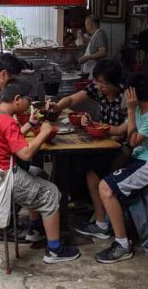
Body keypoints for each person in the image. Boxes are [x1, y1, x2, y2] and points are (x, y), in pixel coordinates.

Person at [0, 77, 80, 264]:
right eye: (29, 100)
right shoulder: (7, 121)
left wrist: (30, 124)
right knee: (51, 193)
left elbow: (11, 139)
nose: (30, 104)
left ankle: (35, 229)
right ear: (17, 99)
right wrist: (44, 133)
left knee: (38, 174)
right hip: (0, 180)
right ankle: (55, 250)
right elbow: (26, 154)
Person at [78, 73, 148, 264]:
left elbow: (132, 140)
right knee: (94, 175)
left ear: (132, 94)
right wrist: (92, 124)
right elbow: (122, 131)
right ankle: (102, 224)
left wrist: (130, 110)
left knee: (106, 187)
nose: (124, 96)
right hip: (138, 159)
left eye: (127, 92)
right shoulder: (140, 109)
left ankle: (123, 245)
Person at [51, 59, 129, 221]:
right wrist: (57, 106)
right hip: (102, 138)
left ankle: (96, 208)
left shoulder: (125, 97)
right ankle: (79, 200)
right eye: (97, 82)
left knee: (87, 164)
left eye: (103, 84)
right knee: (71, 158)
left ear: (116, 83)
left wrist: (97, 128)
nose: (99, 87)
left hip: (117, 144)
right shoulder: (98, 88)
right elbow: (72, 100)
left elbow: (122, 132)